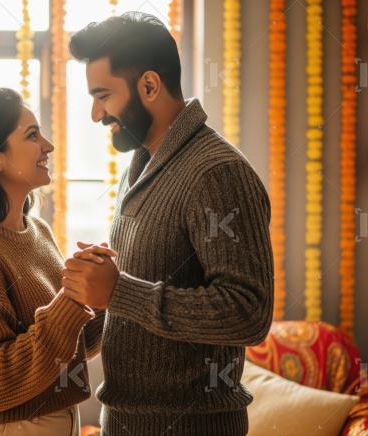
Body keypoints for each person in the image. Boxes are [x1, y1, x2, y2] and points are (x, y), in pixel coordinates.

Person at [61, 12, 275, 435]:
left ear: (150, 86)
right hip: (123, 423)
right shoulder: (140, 166)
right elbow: (139, 296)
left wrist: (120, 290)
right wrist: (97, 285)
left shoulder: (217, 173)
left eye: (103, 95)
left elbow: (249, 313)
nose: (95, 114)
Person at [0, 87, 109, 436]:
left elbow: (75, 348)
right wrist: (71, 300)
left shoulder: (37, 231)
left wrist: (97, 291)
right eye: (32, 135)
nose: (48, 145)